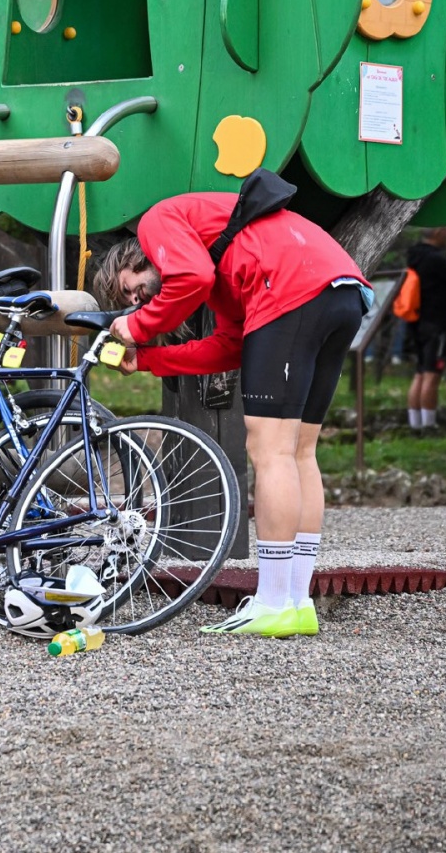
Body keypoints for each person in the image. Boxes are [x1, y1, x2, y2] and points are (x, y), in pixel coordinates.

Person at [95, 191, 369, 638]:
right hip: (341, 291)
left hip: (292, 288)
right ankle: (298, 603)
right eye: (131, 300)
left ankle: (272, 601)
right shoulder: (229, 262)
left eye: (133, 285)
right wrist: (146, 360)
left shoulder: (157, 220)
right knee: (300, 451)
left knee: (269, 450)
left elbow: (191, 276)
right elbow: (230, 346)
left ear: (140, 254)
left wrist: (136, 327)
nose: (140, 297)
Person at [404, 227, 446, 431]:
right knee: (432, 374)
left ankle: (415, 425)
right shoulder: (436, 259)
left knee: (420, 373)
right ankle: (429, 426)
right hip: (436, 322)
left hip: (416, 321)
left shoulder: (414, 256)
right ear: (437, 233)